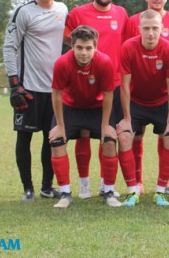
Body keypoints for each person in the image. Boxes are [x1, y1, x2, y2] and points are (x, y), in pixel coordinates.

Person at [3, 0, 68, 202]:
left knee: (51, 138)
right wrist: (14, 84)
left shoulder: (62, 9)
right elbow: (10, 47)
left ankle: (46, 187)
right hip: (28, 87)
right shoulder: (24, 12)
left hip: (54, 89)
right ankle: (27, 188)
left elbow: (70, 38)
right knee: (24, 138)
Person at [64, 0, 129, 199]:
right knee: (82, 134)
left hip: (114, 83)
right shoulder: (78, 13)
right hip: (82, 82)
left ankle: (105, 184)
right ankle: (84, 185)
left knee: (108, 134)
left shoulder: (121, 13)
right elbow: (68, 40)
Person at [48, 26, 122, 208]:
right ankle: (65, 194)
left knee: (110, 141)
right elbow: (56, 94)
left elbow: (108, 95)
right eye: (79, 47)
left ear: (95, 48)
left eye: (88, 48)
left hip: (97, 108)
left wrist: (106, 125)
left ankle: (109, 192)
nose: (84, 53)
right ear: (72, 46)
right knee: (57, 142)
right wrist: (59, 125)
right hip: (70, 107)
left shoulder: (104, 62)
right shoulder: (62, 63)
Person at [126, 0, 169, 194]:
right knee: (135, 135)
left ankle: (165, 183)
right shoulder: (133, 20)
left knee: (168, 135)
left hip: (164, 95)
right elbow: (129, 54)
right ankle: (138, 182)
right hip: (137, 94)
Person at [117, 10, 169, 207]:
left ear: (162, 28)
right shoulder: (128, 47)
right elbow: (125, 86)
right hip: (136, 101)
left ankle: (161, 191)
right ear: (139, 29)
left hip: (161, 102)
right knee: (125, 136)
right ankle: (132, 191)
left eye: (155, 28)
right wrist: (126, 119)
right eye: (146, 28)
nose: (151, 33)